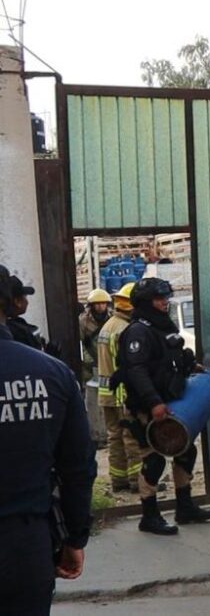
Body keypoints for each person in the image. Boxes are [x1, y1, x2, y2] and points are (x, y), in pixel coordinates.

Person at [0, 263, 96, 614]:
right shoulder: (51, 374)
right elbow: (78, 467)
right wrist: (75, 537)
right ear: (9, 303)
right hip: (26, 549)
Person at [115, 277, 210, 535]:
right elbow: (136, 371)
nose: (165, 302)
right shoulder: (138, 331)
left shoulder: (162, 326)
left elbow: (170, 359)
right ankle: (149, 516)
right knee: (154, 461)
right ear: (145, 303)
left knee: (185, 452)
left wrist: (190, 367)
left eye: (165, 297)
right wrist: (154, 403)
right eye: (159, 299)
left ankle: (185, 507)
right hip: (146, 408)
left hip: (168, 401)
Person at [96, 283, 143, 492]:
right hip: (122, 393)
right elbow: (125, 365)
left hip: (106, 394)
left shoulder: (108, 325)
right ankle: (137, 481)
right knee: (132, 436)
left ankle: (118, 480)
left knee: (114, 437)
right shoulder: (125, 329)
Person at [79, 289, 112, 385]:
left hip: (108, 357)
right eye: (97, 304)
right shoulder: (83, 320)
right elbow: (81, 342)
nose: (100, 306)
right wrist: (89, 360)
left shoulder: (112, 317)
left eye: (103, 303)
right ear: (92, 305)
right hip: (91, 360)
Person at [5, 275, 44, 350]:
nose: (27, 301)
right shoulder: (20, 332)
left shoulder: (9, 326)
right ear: (17, 302)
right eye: (25, 296)